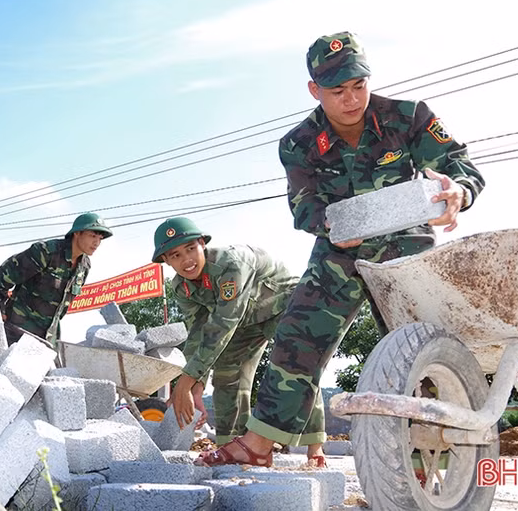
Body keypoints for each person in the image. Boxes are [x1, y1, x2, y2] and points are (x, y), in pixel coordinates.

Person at [194, 31, 486, 467]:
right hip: (339, 250)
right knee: (296, 337)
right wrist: (328, 225)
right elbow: (303, 205)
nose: (352, 99)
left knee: (417, 345)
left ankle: (431, 463)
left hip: (406, 243)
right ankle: (258, 445)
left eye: (358, 86)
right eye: (337, 90)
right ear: (315, 90)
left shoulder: (408, 117)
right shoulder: (298, 143)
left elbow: (458, 165)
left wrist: (458, 191)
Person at [152, 217, 300, 445]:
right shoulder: (182, 288)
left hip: (282, 304)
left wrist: (184, 384)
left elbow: (223, 323)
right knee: (226, 375)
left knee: (289, 366)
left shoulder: (231, 263)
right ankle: (232, 445)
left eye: (191, 249)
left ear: (202, 243)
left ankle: (308, 445)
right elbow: (198, 334)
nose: (186, 260)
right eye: (175, 255)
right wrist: (196, 388)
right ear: (166, 260)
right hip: (244, 320)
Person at [0, 212, 113, 346]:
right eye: (92, 236)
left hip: (45, 340)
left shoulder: (84, 266)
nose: (96, 243)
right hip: (16, 332)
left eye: (100, 238)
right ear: (77, 233)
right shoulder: (46, 252)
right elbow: (4, 275)